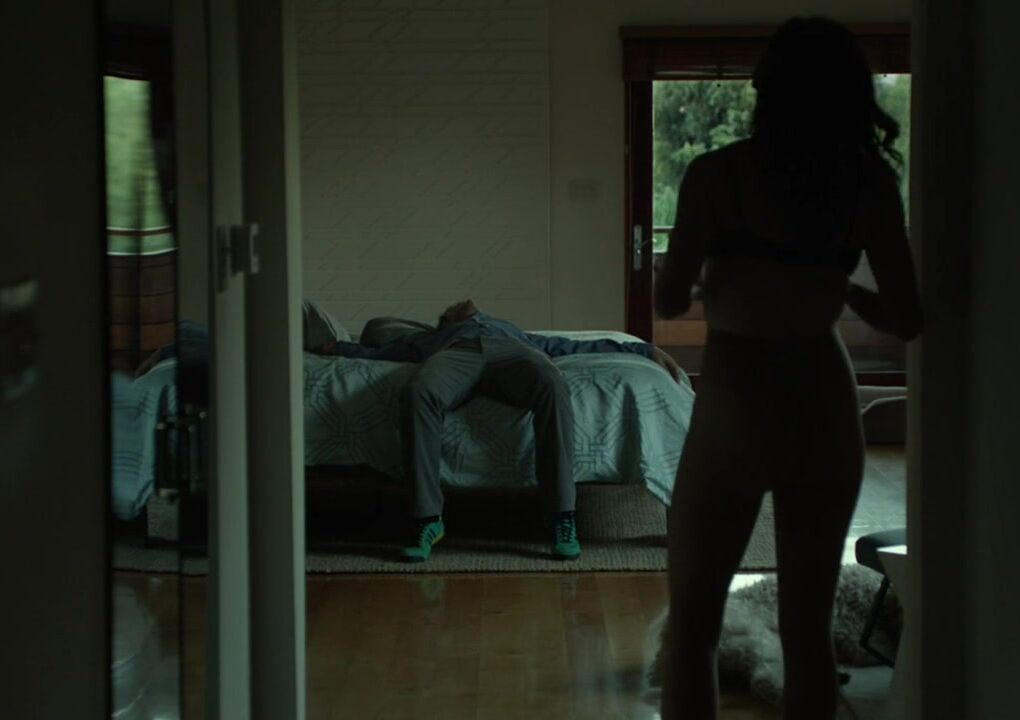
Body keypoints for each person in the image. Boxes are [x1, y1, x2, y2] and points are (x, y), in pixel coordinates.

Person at [653, 17, 922, 720]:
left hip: (736, 406)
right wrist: (833, 286)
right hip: (822, 403)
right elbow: (908, 316)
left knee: (694, 629)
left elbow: (668, 297)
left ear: (766, 88)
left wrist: (719, 274)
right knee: (808, 633)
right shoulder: (868, 183)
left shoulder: (716, 175)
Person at [317, 299, 683, 562]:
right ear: (447, 319)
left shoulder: (514, 331)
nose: (468, 304)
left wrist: (643, 350)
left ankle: (561, 516)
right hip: (457, 356)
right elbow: (382, 353)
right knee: (418, 392)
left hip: (513, 355)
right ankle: (427, 519)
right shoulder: (431, 338)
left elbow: (572, 346)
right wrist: (337, 347)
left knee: (553, 384)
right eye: (459, 308)